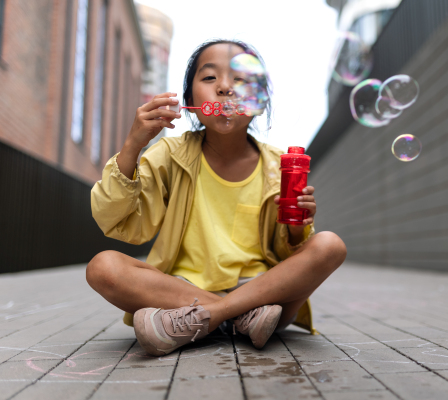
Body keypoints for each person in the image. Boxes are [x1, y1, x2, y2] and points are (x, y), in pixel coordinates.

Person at [87, 39, 347, 356]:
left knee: (330, 245)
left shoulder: (280, 166)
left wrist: (297, 229)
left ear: (260, 101)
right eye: (210, 78)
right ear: (189, 99)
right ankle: (235, 317)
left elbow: (288, 257)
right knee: (103, 268)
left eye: (240, 80)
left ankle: (200, 320)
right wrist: (132, 146)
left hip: (262, 292)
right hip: (182, 293)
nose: (224, 88)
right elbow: (120, 222)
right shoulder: (168, 155)